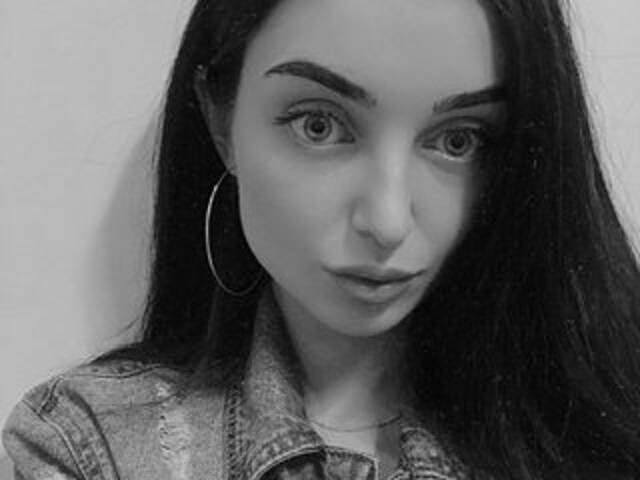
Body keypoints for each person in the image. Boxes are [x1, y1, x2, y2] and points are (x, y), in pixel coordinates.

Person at [3, 0, 640, 478]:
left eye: (458, 140)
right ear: (222, 121)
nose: (387, 221)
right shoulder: (93, 447)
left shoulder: (602, 423)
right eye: (319, 125)